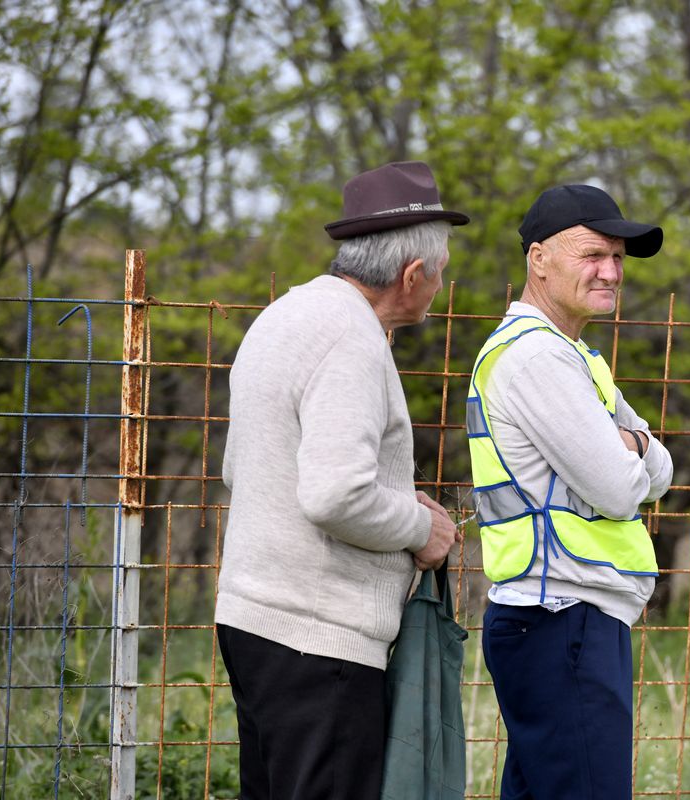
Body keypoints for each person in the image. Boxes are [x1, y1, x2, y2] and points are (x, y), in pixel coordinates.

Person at [215, 161, 468, 800]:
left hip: (255, 618)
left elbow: (241, 468)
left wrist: (384, 496)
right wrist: (421, 527)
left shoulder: (284, 316)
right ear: (412, 274)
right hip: (318, 635)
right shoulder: (352, 339)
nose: (440, 287)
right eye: (440, 273)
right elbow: (334, 494)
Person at [466, 184, 674, 799]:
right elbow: (619, 486)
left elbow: (661, 469)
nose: (611, 271)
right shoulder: (538, 358)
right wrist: (633, 446)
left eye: (617, 258)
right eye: (592, 255)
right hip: (562, 617)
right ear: (538, 259)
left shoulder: (572, 353)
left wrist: (633, 448)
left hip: (560, 617)